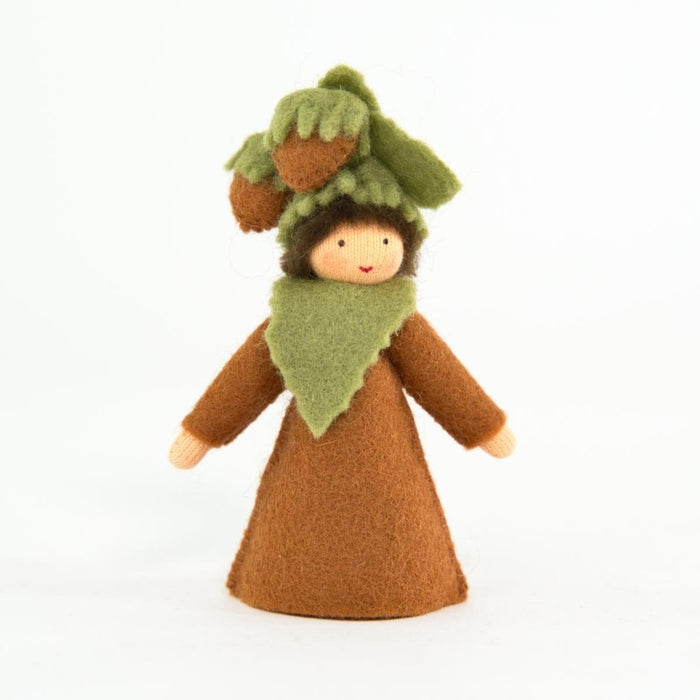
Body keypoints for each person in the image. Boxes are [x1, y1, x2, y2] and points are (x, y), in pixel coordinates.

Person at [169, 195, 515, 619]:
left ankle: (398, 585)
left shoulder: (398, 317)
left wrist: (484, 426)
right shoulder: (291, 320)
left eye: (385, 242)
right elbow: (245, 380)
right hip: (309, 460)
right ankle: (291, 584)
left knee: (393, 522)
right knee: (300, 518)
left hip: (386, 463)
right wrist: (201, 432)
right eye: (343, 243)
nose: (368, 257)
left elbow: (442, 378)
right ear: (306, 248)